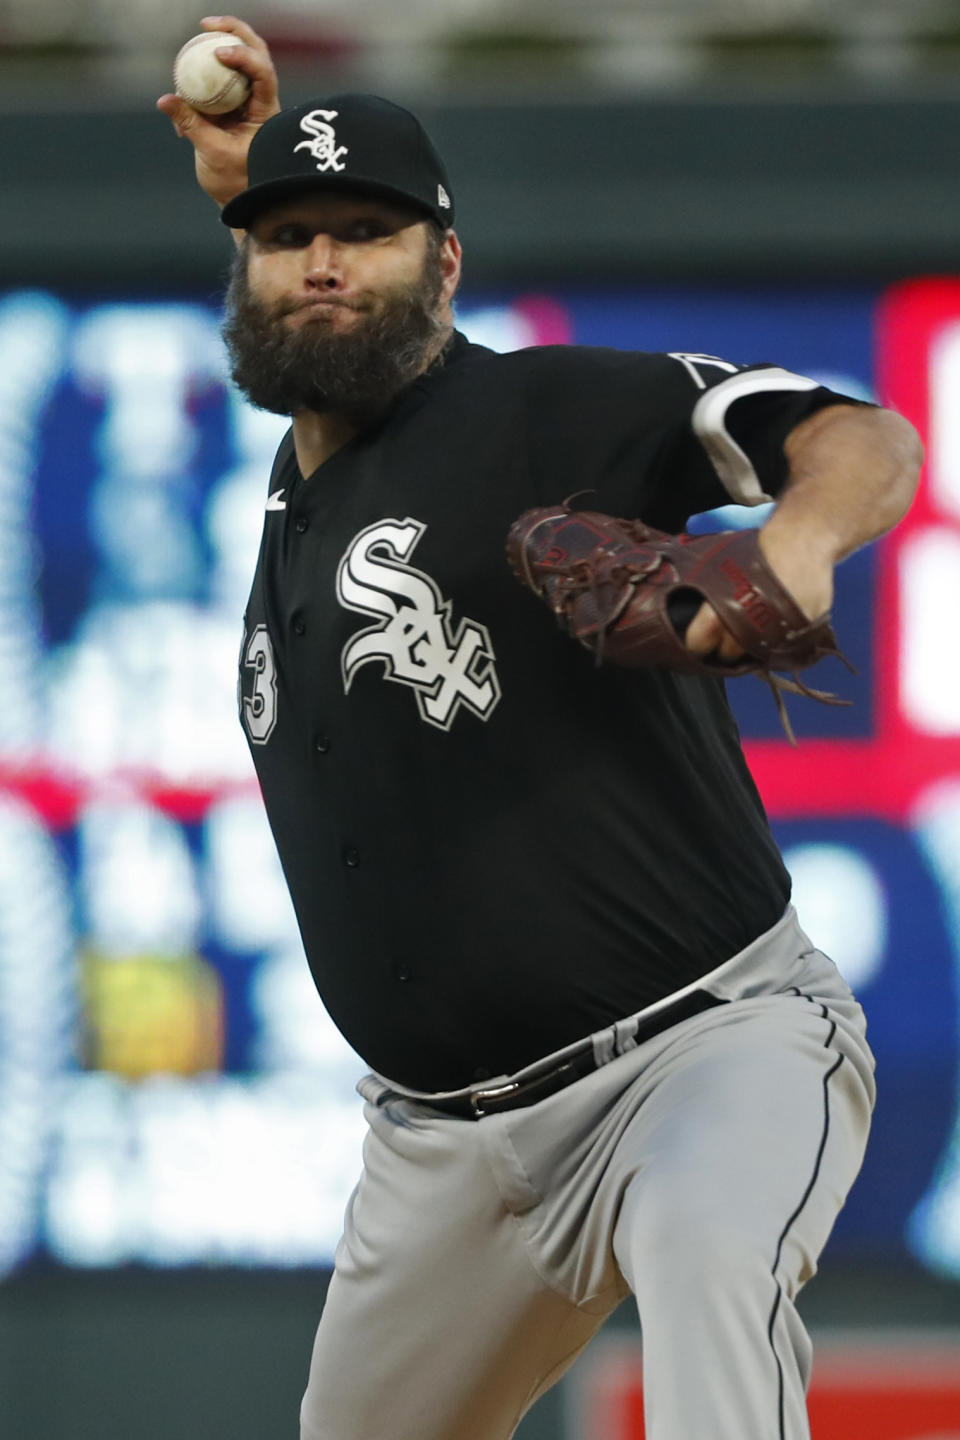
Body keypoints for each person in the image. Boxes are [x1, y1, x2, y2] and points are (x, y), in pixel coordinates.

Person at [159, 21, 921, 1440]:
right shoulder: (306, 457)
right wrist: (255, 177)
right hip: (439, 1150)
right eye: (289, 238)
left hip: (704, 1054)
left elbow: (858, 432)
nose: (325, 262)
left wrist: (800, 545)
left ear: (447, 264)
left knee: (712, 1287)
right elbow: (316, 311)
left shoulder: (544, 409)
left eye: (371, 233)